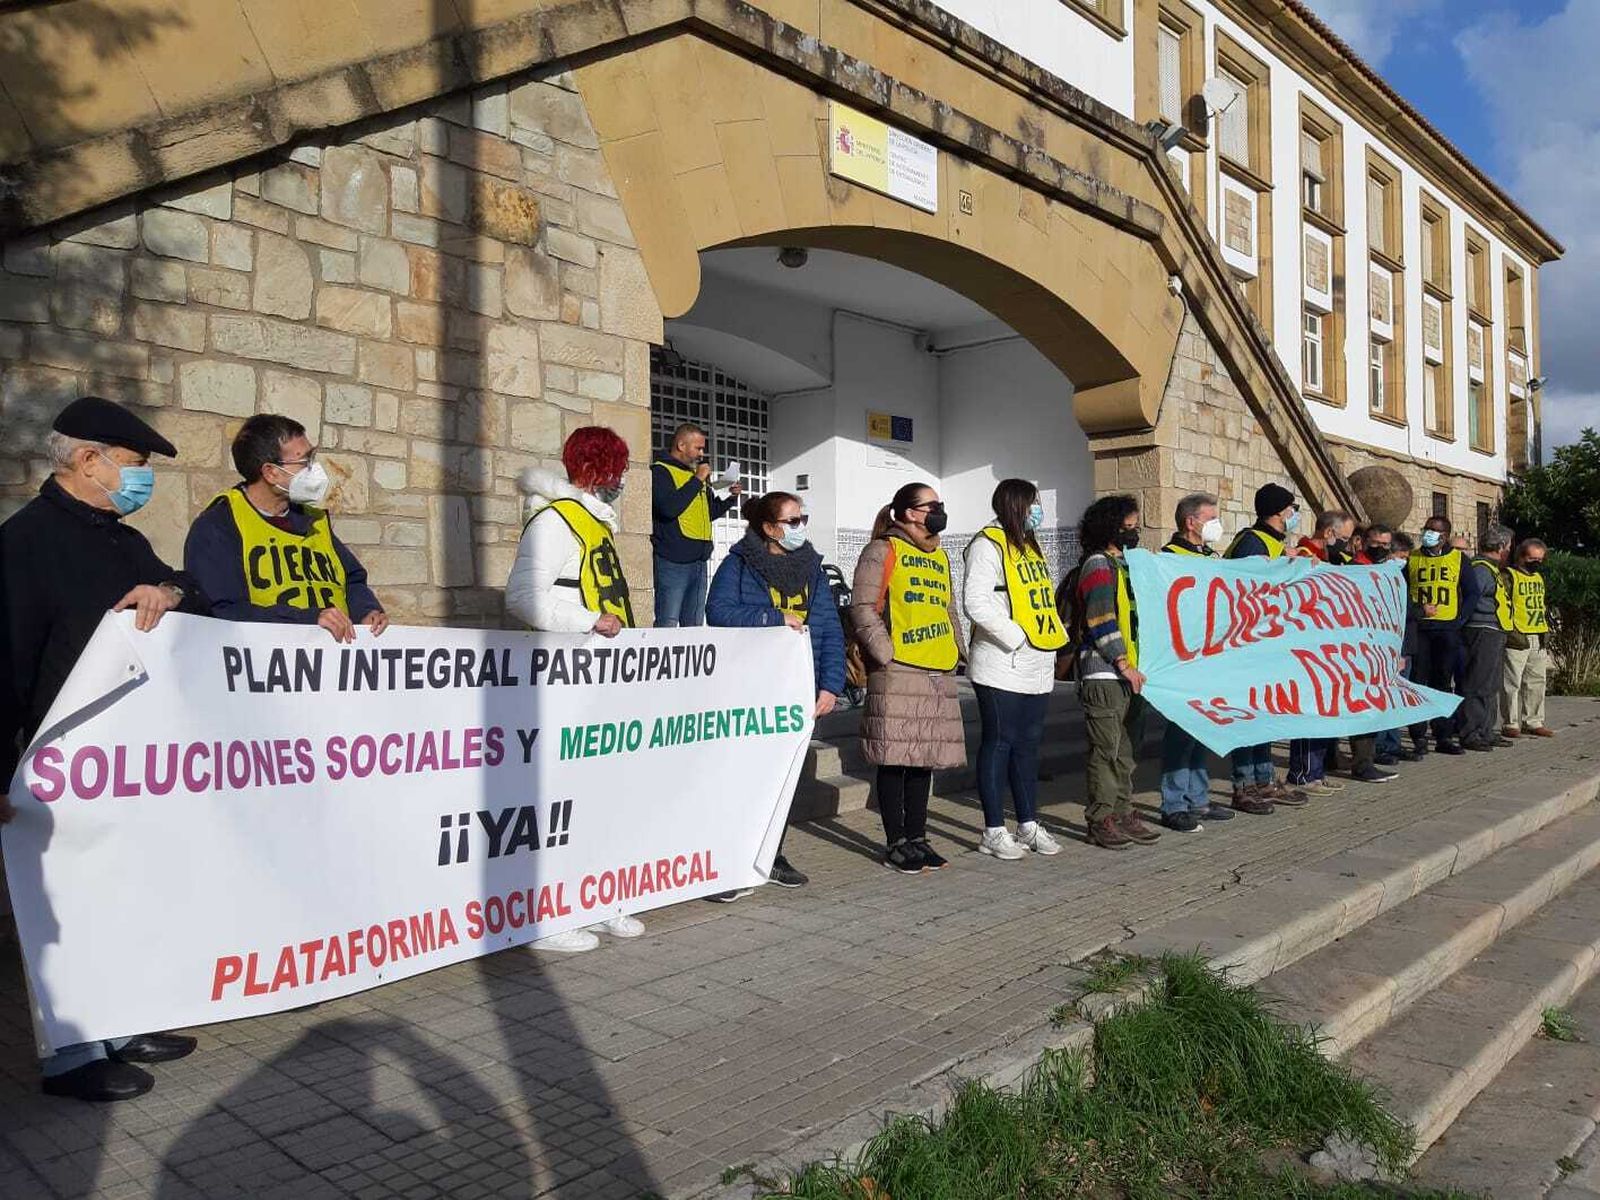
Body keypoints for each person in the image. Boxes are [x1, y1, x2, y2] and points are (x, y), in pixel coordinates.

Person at [0, 396, 210, 1102]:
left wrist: (168, 591)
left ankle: (120, 1025)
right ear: (88, 460)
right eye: (135, 463)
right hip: (57, 756)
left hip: (128, 757)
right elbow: (6, 661)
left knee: (121, 891)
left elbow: (196, 591)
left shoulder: (122, 539)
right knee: (65, 902)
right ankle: (71, 1054)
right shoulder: (25, 543)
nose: (142, 477)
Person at [507, 426, 642, 951]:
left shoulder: (592, 523)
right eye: (617, 469)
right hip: (562, 677)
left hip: (597, 680)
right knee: (559, 800)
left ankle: (597, 897)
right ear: (595, 470)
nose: (622, 480)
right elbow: (523, 597)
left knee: (599, 796)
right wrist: (589, 621)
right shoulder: (555, 521)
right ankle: (545, 915)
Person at [707, 490, 846, 890]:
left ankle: (772, 855)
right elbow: (717, 612)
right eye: (793, 521)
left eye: (803, 519)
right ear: (769, 528)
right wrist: (772, 617)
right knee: (744, 779)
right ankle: (731, 863)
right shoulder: (739, 564)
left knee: (783, 781)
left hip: (798, 690)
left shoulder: (812, 568)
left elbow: (829, 629)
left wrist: (830, 685)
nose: (801, 527)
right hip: (750, 689)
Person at [184, 414, 387, 641]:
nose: (314, 468)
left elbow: (351, 579)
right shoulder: (218, 525)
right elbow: (222, 611)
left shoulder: (314, 516)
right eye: (305, 461)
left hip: (332, 656)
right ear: (271, 472)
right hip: (268, 659)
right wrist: (308, 620)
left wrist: (366, 611)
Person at [849, 482, 966, 874]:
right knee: (894, 759)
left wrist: (957, 650)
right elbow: (862, 607)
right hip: (899, 668)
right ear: (910, 513)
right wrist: (885, 652)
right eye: (932, 505)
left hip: (936, 668)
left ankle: (918, 837)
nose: (939, 511)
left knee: (923, 759)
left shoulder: (940, 555)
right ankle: (896, 842)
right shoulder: (882, 550)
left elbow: (948, 607)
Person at [960, 479, 1066, 859]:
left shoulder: (1030, 544)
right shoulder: (987, 544)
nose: (1038, 510)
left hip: (1036, 662)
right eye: (1033, 503)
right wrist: (1015, 636)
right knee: (1000, 741)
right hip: (1001, 662)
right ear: (1015, 504)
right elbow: (975, 601)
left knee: (1028, 745)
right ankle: (992, 830)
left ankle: (1028, 824)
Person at [1072, 495, 1161, 850]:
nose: (1133, 533)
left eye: (1135, 527)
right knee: (1106, 751)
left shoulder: (1128, 565)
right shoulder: (1098, 564)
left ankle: (1124, 812)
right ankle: (1100, 819)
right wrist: (1122, 662)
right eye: (1127, 527)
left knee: (1126, 752)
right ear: (1109, 527)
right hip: (1106, 672)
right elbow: (1101, 618)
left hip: (1132, 674)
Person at [1221, 483, 1306, 814]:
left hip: (1267, 643)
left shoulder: (1270, 542)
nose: (1294, 514)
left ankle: (1264, 779)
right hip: (1248, 645)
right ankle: (1244, 785)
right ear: (1280, 511)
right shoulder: (1252, 543)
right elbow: (1250, 590)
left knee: (1263, 716)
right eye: (1292, 508)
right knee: (1248, 717)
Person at [1155, 494, 1234, 833]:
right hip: (1183, 660)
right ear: (1191, 522)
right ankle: (1174, 804)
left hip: (1210, 658)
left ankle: (1198, 798)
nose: (1216, 524)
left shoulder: (1210, 557)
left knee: (1202, 730)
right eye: (1211, 517)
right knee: (1180, 734)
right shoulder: (1169, 558)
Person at [651, 422, 740, 628]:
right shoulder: (660, 471)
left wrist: (730, 498)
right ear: (681, 445)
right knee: (668, 622)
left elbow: (708, 513)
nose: (702, 454)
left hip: (699, 560)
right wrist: (698, 478)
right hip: (673, 560)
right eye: (698, 448)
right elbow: (669, 508)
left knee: (694, 624)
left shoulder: (695, 476)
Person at [1405, 514, 1481, 756]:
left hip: (1447, 629)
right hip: (1420, 629)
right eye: (1426, 528)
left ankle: (1443, 735)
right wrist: (1415, 612)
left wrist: (1460, 619)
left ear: (1445, 536)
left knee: (1442, 683)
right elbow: (1402, 590)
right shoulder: (1413, 558)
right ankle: (1418, 736)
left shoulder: (1458, 559)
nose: (1427, 533)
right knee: (1418, 682)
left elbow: (1472, 592)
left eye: (1433, 530)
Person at [1458, 525, 1515, 751]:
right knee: (1478, 683)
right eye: (1508, 546)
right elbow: (1470, 597)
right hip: (1481, 629)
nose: (1509, 550)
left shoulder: (1491, 568)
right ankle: (1471, 732)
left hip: (1494, 629)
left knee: (1491, 684)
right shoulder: (1480, 569)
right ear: (1500, 546)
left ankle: (1486, 730)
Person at [1503, 538, 1554, 739]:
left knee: (1537, 681)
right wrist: (1511, 631)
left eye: (1540, 559)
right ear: (1521, 556)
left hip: (1538, 635)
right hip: (1517, 636)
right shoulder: (1509, 576)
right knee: (1512, 683)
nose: (1537, 563)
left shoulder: (1538, 577)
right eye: (1533, 559)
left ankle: (1534, 721)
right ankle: (1510, 723)